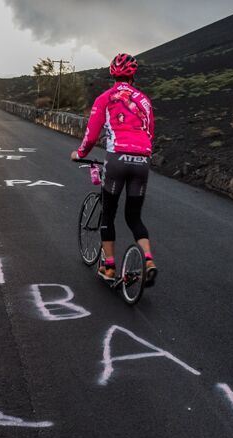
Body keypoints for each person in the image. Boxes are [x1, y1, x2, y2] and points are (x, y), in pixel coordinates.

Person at [71, 53, 158, 286]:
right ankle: (148, 260)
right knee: (133, 216)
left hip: (117, 158)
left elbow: (91, 135)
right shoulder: (145, 100)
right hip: (142, 161)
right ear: (133, 75)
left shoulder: (105, 98)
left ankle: (109, 268)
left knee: (108, 214)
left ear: (112, 73)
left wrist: (79, 154)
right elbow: (150, 133)